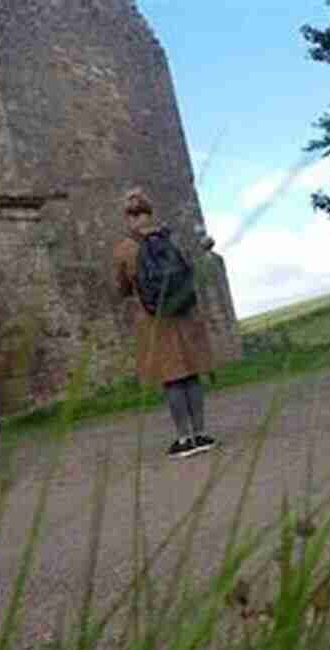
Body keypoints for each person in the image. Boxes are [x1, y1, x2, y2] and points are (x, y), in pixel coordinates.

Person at [112, 188, 217, 459]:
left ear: (128, 218)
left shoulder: (125, 249)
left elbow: (122, 289)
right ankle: (202, 434)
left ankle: (184, 440)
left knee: (172, 380)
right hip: (184, 315)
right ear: (151, 213)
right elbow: (189, 269)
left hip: (155, 321)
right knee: (191, 374)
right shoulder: (170, 239)